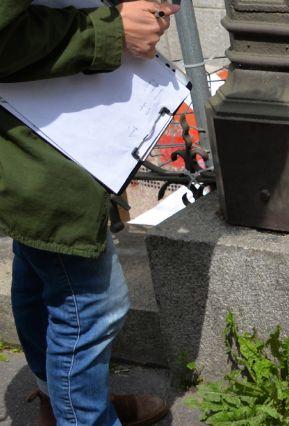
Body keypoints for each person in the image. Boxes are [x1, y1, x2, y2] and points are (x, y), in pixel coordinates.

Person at [0, 0, 180, 424]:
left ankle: (65, 404)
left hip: (36, 129)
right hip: (38, 138)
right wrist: (110, 31)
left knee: (41, 269)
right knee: (93, 303)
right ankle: (83, 416)